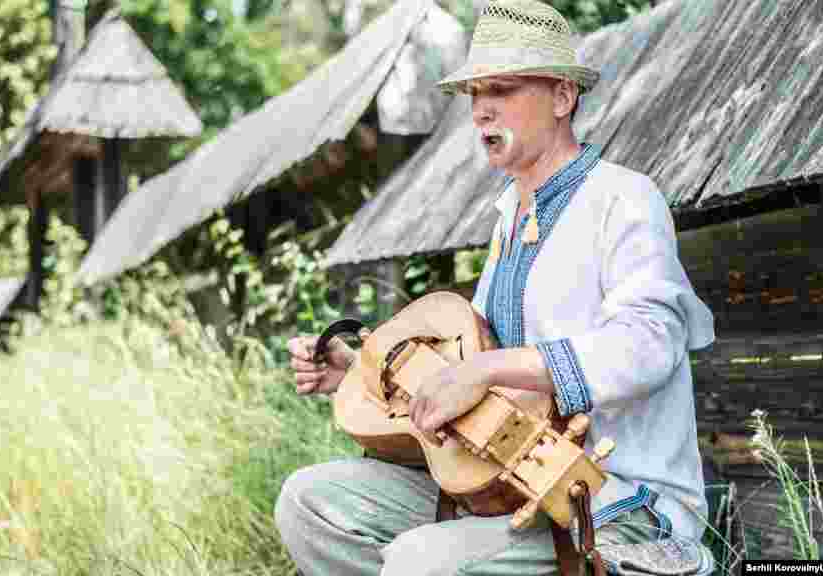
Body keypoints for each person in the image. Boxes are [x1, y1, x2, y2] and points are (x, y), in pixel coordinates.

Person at [274, 0, 718, 574]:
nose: (481, 110)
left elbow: (650, 344)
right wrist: (362, 378)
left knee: (420, 562)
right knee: (310, 503)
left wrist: (488, 369)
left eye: (502, 90)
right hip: (505, 484)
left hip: (612, 498)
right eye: (475, 94)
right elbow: (469, 386)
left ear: (562, 96)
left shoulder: (623, 199)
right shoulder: (510, 218)